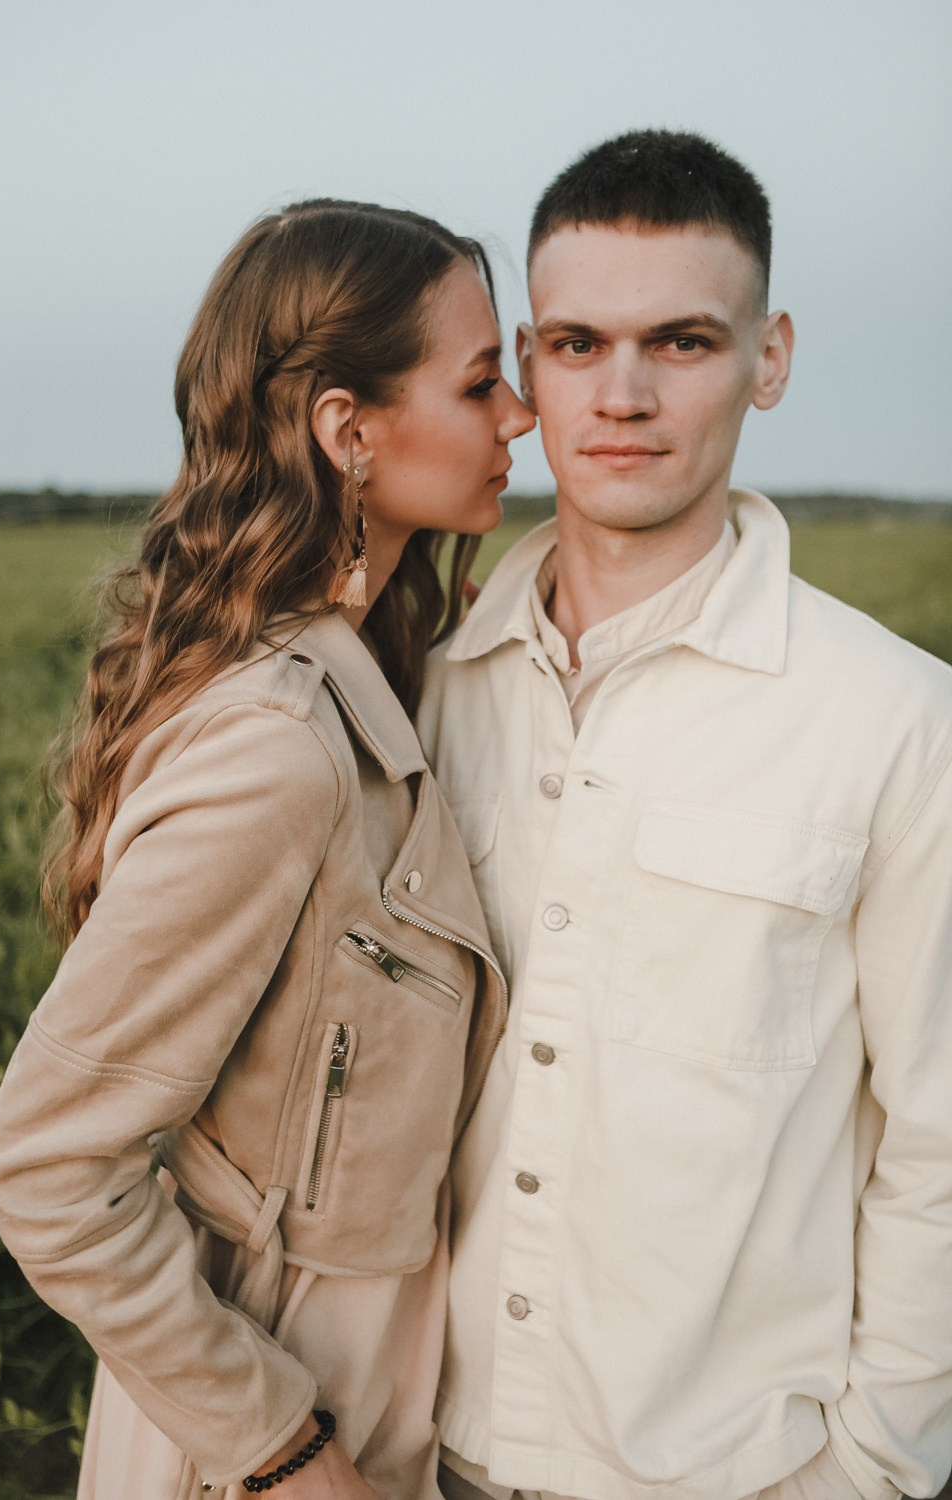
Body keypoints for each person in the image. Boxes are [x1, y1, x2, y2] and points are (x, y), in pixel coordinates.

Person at [419, 131, 952, 1500]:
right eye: (579, 344)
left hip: (739, 1475)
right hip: (425, 1455)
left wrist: (869, 1474)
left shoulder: (900, 722)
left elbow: (942, 1142)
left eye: (684, 342)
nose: (626, 395)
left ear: (771, 358)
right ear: (528, 367)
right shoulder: (426, 691)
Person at [0, 198, 534, 1499]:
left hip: (367, 1404)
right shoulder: (280, 750)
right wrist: (286, 1453)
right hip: (266, 1440)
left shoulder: (370, 680)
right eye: (478, 383)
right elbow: (48, 1164)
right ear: (349, 430)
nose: (519, 416)